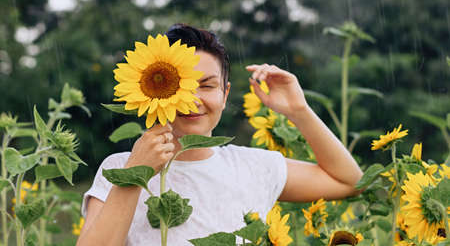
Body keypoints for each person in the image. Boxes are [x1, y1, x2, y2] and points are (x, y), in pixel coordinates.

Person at [76, 24, 363, 246]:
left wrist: (299, 110)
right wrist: (136, 174)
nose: (192, 100)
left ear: (225, 95)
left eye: (207, 86)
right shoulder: (118, 169)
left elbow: (350, 181)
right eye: (181, 85)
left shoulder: (252, 167)